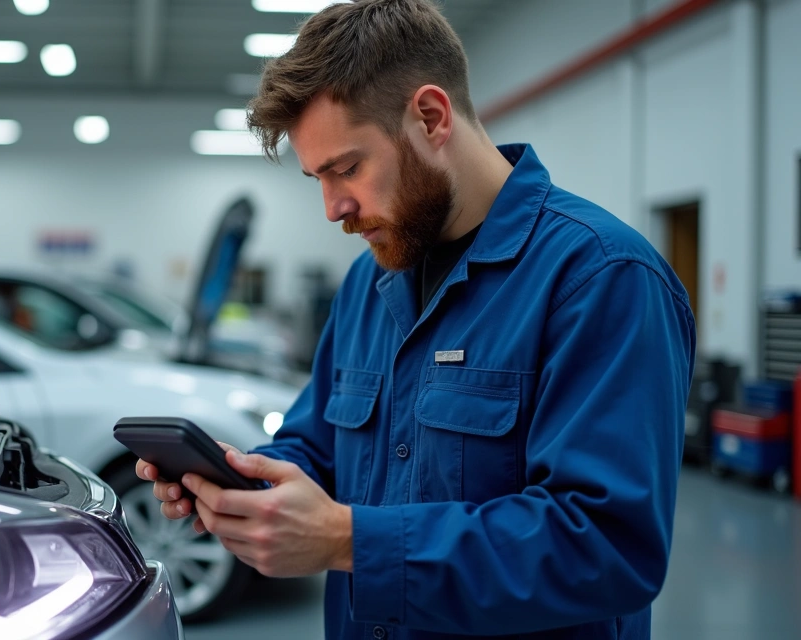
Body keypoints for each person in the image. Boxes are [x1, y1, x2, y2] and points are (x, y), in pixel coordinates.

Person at [135, 0, 697, 638]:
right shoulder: (370, 280)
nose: (332, 208)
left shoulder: (601, 278)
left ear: (430, 116)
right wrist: (244, 488)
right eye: (317, 177)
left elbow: (605, 548)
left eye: (346, 168)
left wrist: (350, 542)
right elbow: (316, 446)